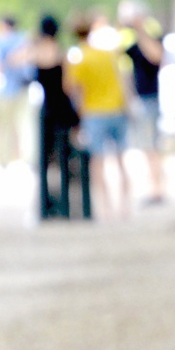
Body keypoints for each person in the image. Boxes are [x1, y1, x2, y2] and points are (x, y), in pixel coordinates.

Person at [68, 12, 133, 219]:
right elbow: (122, 80)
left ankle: (105, 207)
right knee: (121, 159)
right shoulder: (107, 54)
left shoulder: (79, 58)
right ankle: (125, 207)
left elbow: (72, 88)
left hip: (94, 113)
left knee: (98, 161)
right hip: (116, 109)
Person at [24, 15, 82, 219]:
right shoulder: (62, 53)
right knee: (67, 157)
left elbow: (14, 60)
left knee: (46, 159)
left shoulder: (36, 51)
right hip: (64, 110)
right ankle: (66, 204)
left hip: (48, 110)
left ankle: (48, 205)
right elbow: (69, 85)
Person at [118, 0, 166, 205]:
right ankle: (154, 188)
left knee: (152, 146)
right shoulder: (130, 41)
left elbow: (157, 57)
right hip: (139, 100)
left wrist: (141, 30)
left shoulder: (151, 35)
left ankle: (157, 190)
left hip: (151, 99)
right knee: (146, 147)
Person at [0, 15, 28, 167]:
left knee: (4, 127)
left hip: (6, 90)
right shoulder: (24, 39)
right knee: (25, 125)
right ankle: (28, 158)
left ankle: (4, 159)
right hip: (24, 88)